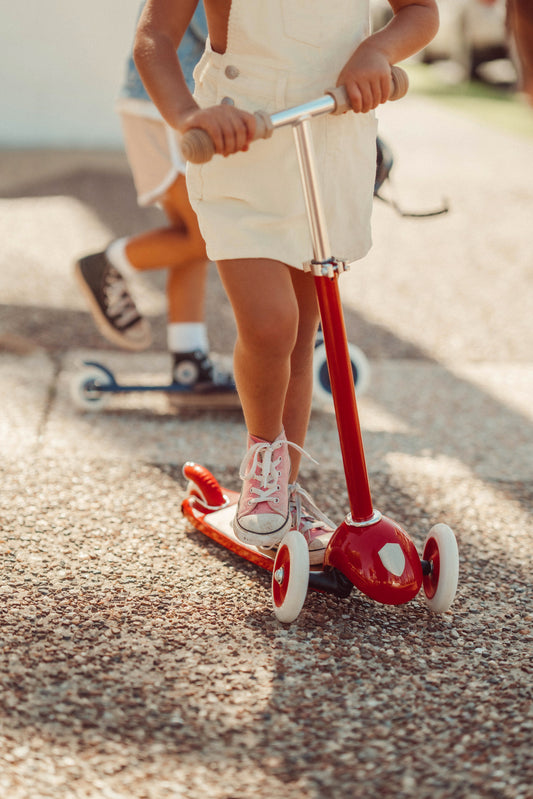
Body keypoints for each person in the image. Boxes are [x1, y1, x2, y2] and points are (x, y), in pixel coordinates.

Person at [133, 0, 439, 562]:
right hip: (240, 143)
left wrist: (377, 50)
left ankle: (285, 487)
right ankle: (263, 464)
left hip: (326, 142)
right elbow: (154, 37)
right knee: (271, 325)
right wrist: (187, 115)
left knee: (301, 337)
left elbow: (420, 11)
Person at [75, 2, 235, 396]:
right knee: (205, 236)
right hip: (167, 106)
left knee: (190, 235)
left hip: (166, 103)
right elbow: (228, 35)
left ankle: (188, 357)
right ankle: (108, 263)